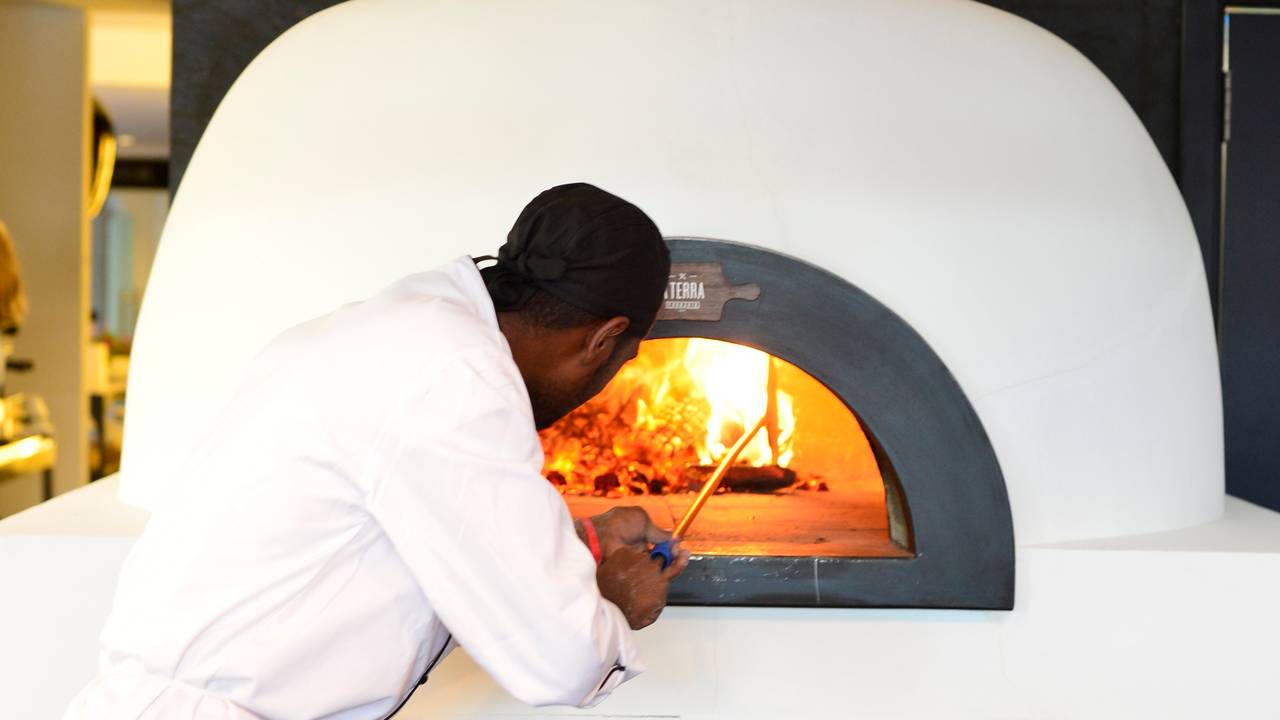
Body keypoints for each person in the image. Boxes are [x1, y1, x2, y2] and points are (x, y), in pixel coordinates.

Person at [65, 183, 691, 719]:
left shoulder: (406, 331)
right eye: (622, 360)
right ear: (604, 339)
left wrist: (581, 544)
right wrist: (612, 602)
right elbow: (560, 659)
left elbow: (424, 537)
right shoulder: (455, 374)